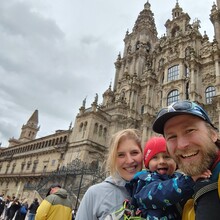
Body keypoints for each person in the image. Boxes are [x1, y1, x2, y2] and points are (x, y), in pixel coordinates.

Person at [152, 100, 220, 220]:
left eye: (190, 131)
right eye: (172, 137)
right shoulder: (183, 194)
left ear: (214, 134)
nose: (182, 145)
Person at [126, 136, 210, 219]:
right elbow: (160, 193)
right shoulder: (145, 181)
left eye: (167, 157)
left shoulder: (179, 178)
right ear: (147, 164)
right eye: (155, 158)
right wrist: (189, 180)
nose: (162, 161)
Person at [75, 128, 143, 220]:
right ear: (113, 159)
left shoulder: (156, 192)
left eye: (134, 153)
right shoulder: (95, 194)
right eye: (121, 155)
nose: (130, 161)